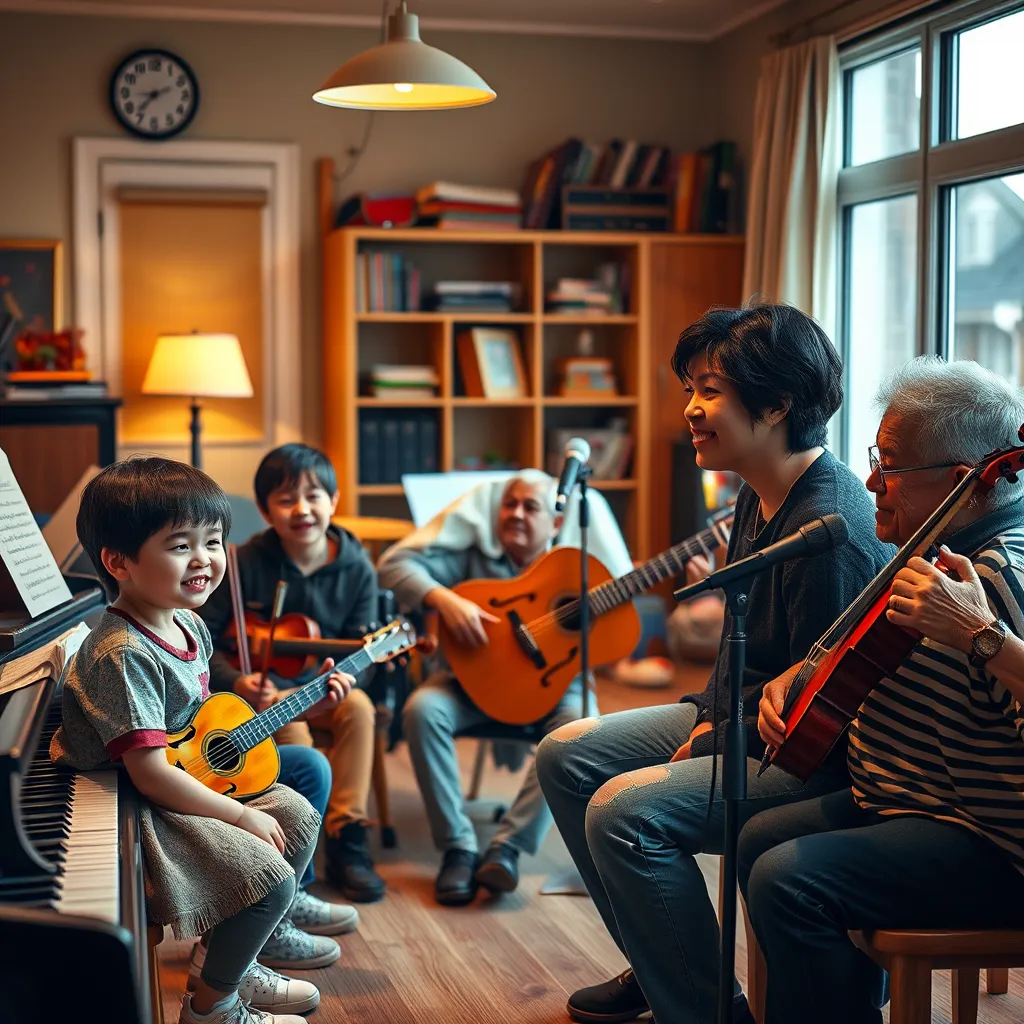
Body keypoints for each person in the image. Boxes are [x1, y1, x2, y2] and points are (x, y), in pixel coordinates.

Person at [533, 304, 894, 1024]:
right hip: (739, 722)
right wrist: (711, 720)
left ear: (776, 405)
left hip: (812, 763)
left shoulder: (832, 532)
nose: (691, 409)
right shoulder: (756, 496)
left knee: (621, 811)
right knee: (563, 755)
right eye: (691, 388)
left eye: (710, 390)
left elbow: (820, 713)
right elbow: (748, 658)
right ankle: (670, 960)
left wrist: (721, 737)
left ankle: (699, 1010)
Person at [739, 357, 1024, 1024]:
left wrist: (980, 634)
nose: (870, 481)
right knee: (754, 840)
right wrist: (798, 675)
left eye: (889, 464)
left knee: (790, 880)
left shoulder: (1000, 576)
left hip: (993, 844)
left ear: (961, 482)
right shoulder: (928, 550)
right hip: (910, 804)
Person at [50, 457, 354, 1024]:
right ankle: (213, 1007)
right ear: (119, 562)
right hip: (137, 801)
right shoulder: (122, 652)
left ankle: (221, 962)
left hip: (185, 779)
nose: (205, 560)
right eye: (180, 545)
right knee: (268, 874)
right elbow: (150, 772)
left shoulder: (188, 623)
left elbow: (199, 721)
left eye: (212, 541)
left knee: (297, 813)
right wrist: (239, 819)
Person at [377, 470, 632, 906]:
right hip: (470, 687)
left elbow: (625, 618)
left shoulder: (575, 569)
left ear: (555, 524)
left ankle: (507, 850)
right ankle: (458, 847)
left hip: (556, 688)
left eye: (529, 507)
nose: (515, 513)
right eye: (508, 504)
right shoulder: (472, 558)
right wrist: (446, 599)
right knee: (423, 709)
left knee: (581, 728)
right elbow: (391, 567)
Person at [200, 443, 387, 918]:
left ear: (335, 499)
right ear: (266, 510)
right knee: (295, 731)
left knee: (360, 710)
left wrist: (345, 679)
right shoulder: (242, 563)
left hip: (324, 686)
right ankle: (299, 859)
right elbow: (207, 640)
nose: (302, 509)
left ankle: (347, 837)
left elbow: (358, 649)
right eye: (286, 499)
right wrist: (239, 681)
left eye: (314, 495)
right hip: (265, 696)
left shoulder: (358, 568)